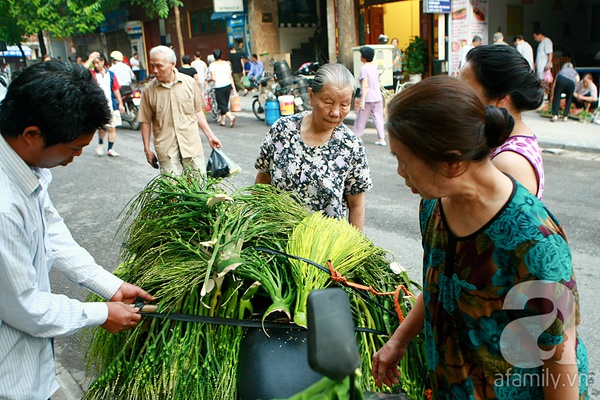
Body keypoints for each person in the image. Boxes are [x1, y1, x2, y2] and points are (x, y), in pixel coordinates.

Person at [372, 75, 588, 400]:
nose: (400, 172)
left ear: (452, 161)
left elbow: (560, 357)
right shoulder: (432, 205)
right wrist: (398, 341)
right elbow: (437, 283)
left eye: (404, 161)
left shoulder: (534, 239)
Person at [0, 60, 154, 399]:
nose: (76, 157)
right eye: (72, 148)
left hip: (30, 363)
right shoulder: (3, 205)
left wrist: (110, 287)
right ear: (31, 135)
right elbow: (24, 306)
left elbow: (51, 231)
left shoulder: (24, 166)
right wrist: (101, 313)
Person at [254, 63, 372, 231]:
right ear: (311, 96)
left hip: (324, 250)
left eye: (345, 105)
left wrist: (354, 251)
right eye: (328, 102)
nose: (336, 112)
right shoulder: (282, 131)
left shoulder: (351, 146)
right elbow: (261, 185)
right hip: (277, 243)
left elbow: (356, 205)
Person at [461, 45, 546, 200]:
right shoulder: (502, 134)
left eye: (467, 91)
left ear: (501, 99)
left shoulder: (508, 163)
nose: (459, 97)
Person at [138, 45, 221, 176]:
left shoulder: (189, 83)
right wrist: (147, 149)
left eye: (159, 66)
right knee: (172, 192)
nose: (154, 70)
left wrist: (210, 136)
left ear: (172, 64)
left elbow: (198, 112)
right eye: (152, 65)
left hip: (191, 145)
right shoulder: (148, 91)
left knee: (197, 188)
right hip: (166, 149)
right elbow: (145, 121)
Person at [89, 52, 124, 157]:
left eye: (97, 62)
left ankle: (110, 149)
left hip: (111, 105)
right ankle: (100, 143)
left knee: (112, 127)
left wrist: (120, 103)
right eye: (94, 63)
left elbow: (116, 89)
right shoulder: (92, 75)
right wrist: (90, 59)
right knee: (103, 128)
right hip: (99, 106)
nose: (95, 65)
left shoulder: (111, 75)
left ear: (103, 62)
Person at [354, 46, 386, 146]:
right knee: (378, 117)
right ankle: (382, 139)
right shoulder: (375, 67)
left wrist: (362, 101)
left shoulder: (364, 69)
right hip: (377, 96)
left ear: (363, 57)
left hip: (368, 97)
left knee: (361, 118)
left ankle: (357, 138)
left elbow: (365, 85)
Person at [207, 48, 237, 127]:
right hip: (228, 85)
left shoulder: (212, 65)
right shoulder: (226, 63)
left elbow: (213, 78)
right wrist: (234, 88)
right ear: (222, 55)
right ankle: (223, 121)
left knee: (221, 105)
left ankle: (231, 117)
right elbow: (230, 76)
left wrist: (208, 80)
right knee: (225, 104)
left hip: (219, 86)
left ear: (214, 57)